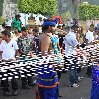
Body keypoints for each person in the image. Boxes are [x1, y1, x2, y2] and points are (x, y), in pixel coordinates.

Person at [0, 30, 19, 96]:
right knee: (4, 77)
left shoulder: (13, 42)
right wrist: (1, 59)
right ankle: (6, 90)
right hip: (4, 62)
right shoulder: (2, 42)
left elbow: (17, 51)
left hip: (12, 62)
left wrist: (16, 58)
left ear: (6, 36)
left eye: (2, 35)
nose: (1, 36)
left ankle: (15, 90)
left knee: (13, 77)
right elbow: (1, 52)